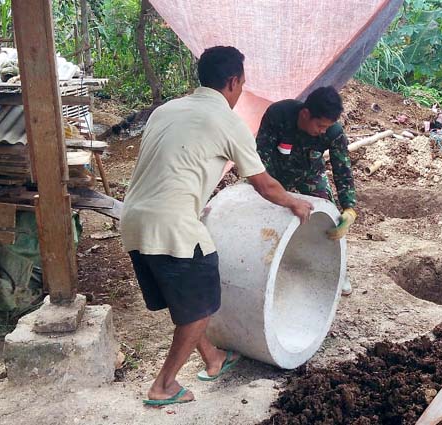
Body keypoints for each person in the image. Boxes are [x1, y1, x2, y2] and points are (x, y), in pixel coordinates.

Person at [120, 46, 313, 406]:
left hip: (133, 220)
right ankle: (163, 385)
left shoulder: (167, 110)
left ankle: (213, 359)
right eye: (242, 83)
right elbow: (264, 184)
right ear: (233, 81)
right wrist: (296, 203)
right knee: (201, 307)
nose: (241, 90)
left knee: (187, 302)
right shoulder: (227, 121)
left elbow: (173, 164)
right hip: (173, 225)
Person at [256, 86, 357, 295]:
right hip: (275, 174)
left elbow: (342, 169)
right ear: (305, 113)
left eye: (327, 127)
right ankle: (264, 267)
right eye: (320, 125)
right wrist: (273, 194)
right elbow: (261, 158)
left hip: (310, 173)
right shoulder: (279, 115)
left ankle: (336, 270)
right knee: (264, 215)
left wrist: (349, 208)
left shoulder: (333, 131)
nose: (322, 131)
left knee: (327, 217)